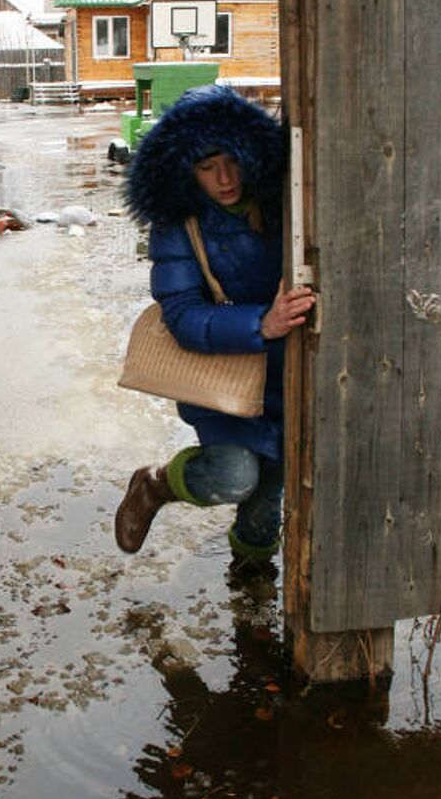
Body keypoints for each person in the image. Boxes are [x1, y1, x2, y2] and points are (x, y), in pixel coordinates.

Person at [115, 84, 316, 564]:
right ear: (187, 170)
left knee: (270, 495)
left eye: (231, 160)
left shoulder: (287, 201)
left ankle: (251, 571)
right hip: (223, 378)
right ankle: (156, 484)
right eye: (207, 167)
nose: (224, 178)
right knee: (235, 476)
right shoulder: (179, 224)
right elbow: (182, 315)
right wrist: (260, 324)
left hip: (294, 373)